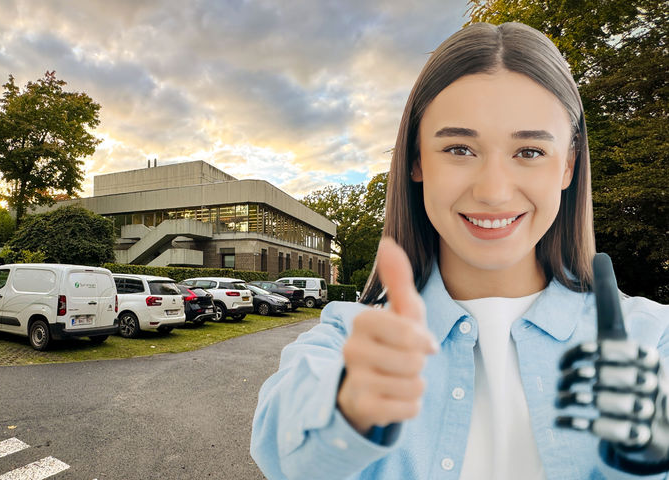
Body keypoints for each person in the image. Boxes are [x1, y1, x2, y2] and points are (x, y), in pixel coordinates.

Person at [250, 22, 669, 479]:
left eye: (529, 151)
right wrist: (346, 415)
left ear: (568, 165)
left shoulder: (652, 341)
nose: (493, 192)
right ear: (416, 160)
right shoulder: (349, 339)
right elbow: (282, 447)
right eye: (459, 148)